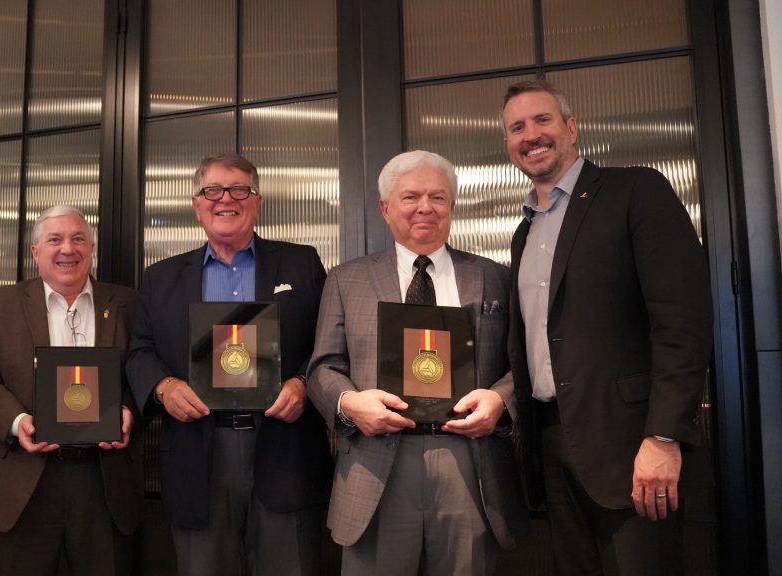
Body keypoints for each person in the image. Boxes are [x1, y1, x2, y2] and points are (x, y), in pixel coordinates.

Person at [501, 79, 713, 574]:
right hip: (550, 443)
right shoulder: (522, 232)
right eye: (517, 127)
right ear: (509, 145)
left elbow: (682, 322)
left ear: (572, 128)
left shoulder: (635, 190)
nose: (531, 134)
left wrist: (663, 437)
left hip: (631, 444)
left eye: (543, 120)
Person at [305, 150, 528, 576]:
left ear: (452, 206)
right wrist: (349, 403)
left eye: (437, 197)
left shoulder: (495, 276)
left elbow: (524, 363)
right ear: (386, 208)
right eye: (410, 197)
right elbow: (322, 367)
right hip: (375, 461)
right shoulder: (346, 279)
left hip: (470, 461)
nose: (425, 207)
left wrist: (501, 400)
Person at [126, 153, 332, 576]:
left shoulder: (301, 263)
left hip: (284, 446)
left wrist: (302, 382)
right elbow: (140, 349)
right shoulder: (160, 277)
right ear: (197, 203)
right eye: (213, 190)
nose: (226, 199)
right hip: (197, 451)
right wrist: (163, 387)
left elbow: (331, 341)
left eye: (240, 189)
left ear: (257, 201)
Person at [0, 205, 141, 576]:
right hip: (24, 482)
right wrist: (16, 421)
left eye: (78, 239)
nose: (67, 249)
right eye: (54, 239)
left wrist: (128, 410)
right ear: (35, 252)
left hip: (103, 481)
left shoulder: (127, 304)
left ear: (91, 248)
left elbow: (143, 372)